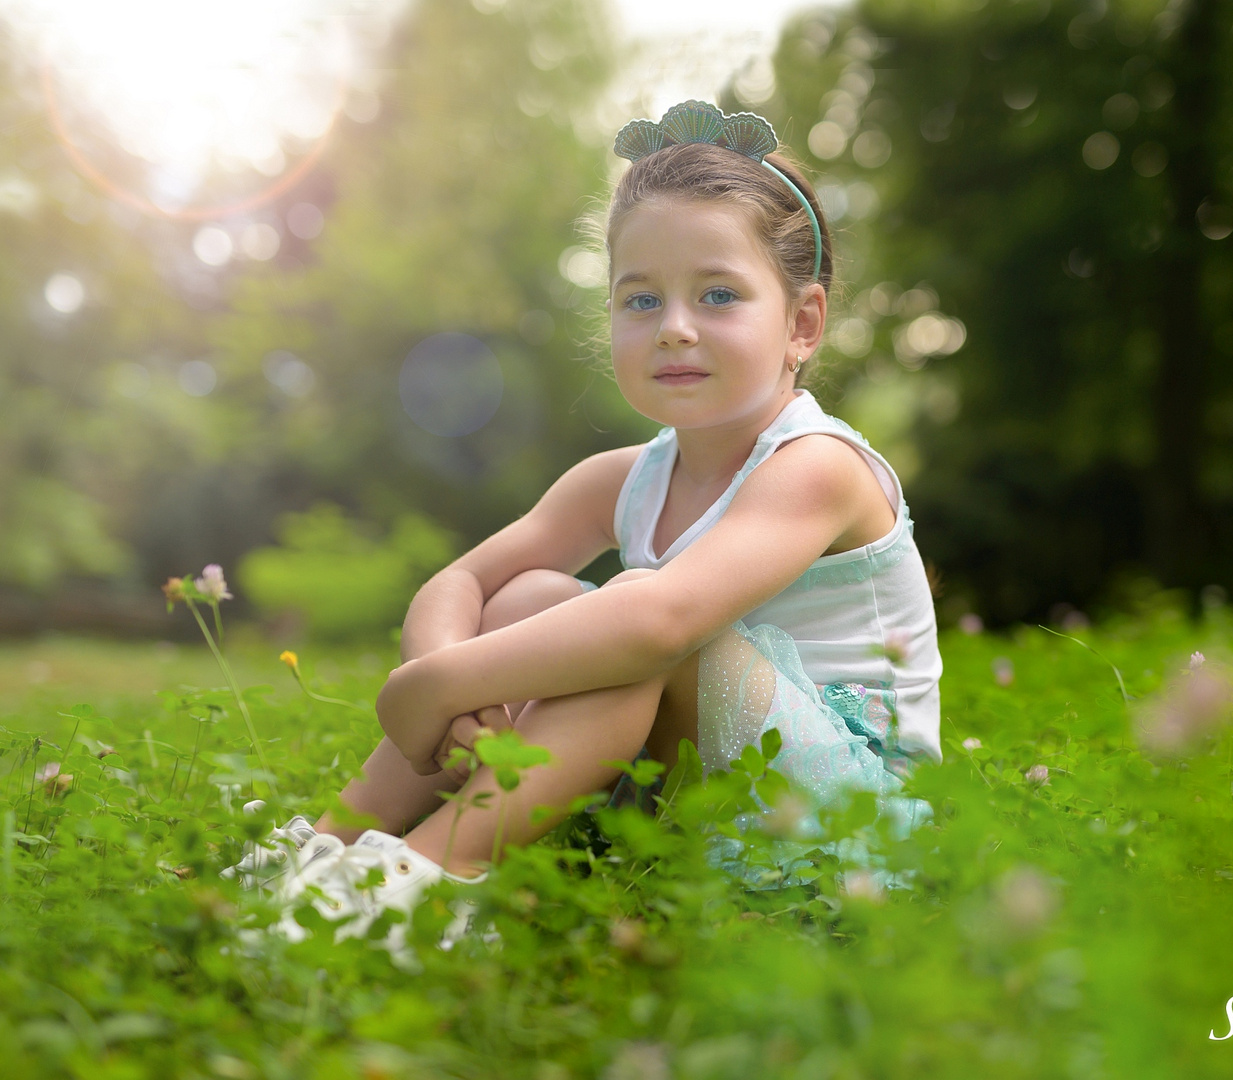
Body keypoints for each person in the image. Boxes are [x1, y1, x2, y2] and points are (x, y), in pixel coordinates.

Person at [235, 100, 941, 947]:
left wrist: (434, 688)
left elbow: (661, 622)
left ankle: (413, 884)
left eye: (718, 295)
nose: (674, 327)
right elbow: (460, 583)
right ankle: (327, 846)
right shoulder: (622, 479)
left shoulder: (819, 468)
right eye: (640, 300)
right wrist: (445, 683)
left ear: (801, 324)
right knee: (532, 595)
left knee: (637, 617)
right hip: (691, 794)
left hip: (844, 823)